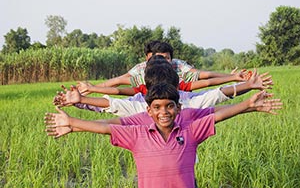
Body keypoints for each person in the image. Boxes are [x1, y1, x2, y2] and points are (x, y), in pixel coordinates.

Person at [45, 83, 282, 188]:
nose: (163, 112)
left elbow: (218, 116)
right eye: (157, 107)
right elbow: (107, 127)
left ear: (178, 108)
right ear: (149, 111)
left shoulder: (190, 131)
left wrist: (248, 104)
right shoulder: (137, 134)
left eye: (169, 106)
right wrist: (71, 122)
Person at [53, 58, 273, 117]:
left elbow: (215, 94)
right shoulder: (142, 106)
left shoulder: (185, 101)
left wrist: (246, 86)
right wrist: (80, 101)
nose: (163, 112)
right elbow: (111, 103)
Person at [77, 41, 242, 95]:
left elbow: (203, 77)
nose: (163, 63)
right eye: (158, 59)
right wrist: (92, 88)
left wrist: (231, 76)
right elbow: (119, 85)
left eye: (166, 59)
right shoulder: (141, 75)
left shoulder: (178, 76)